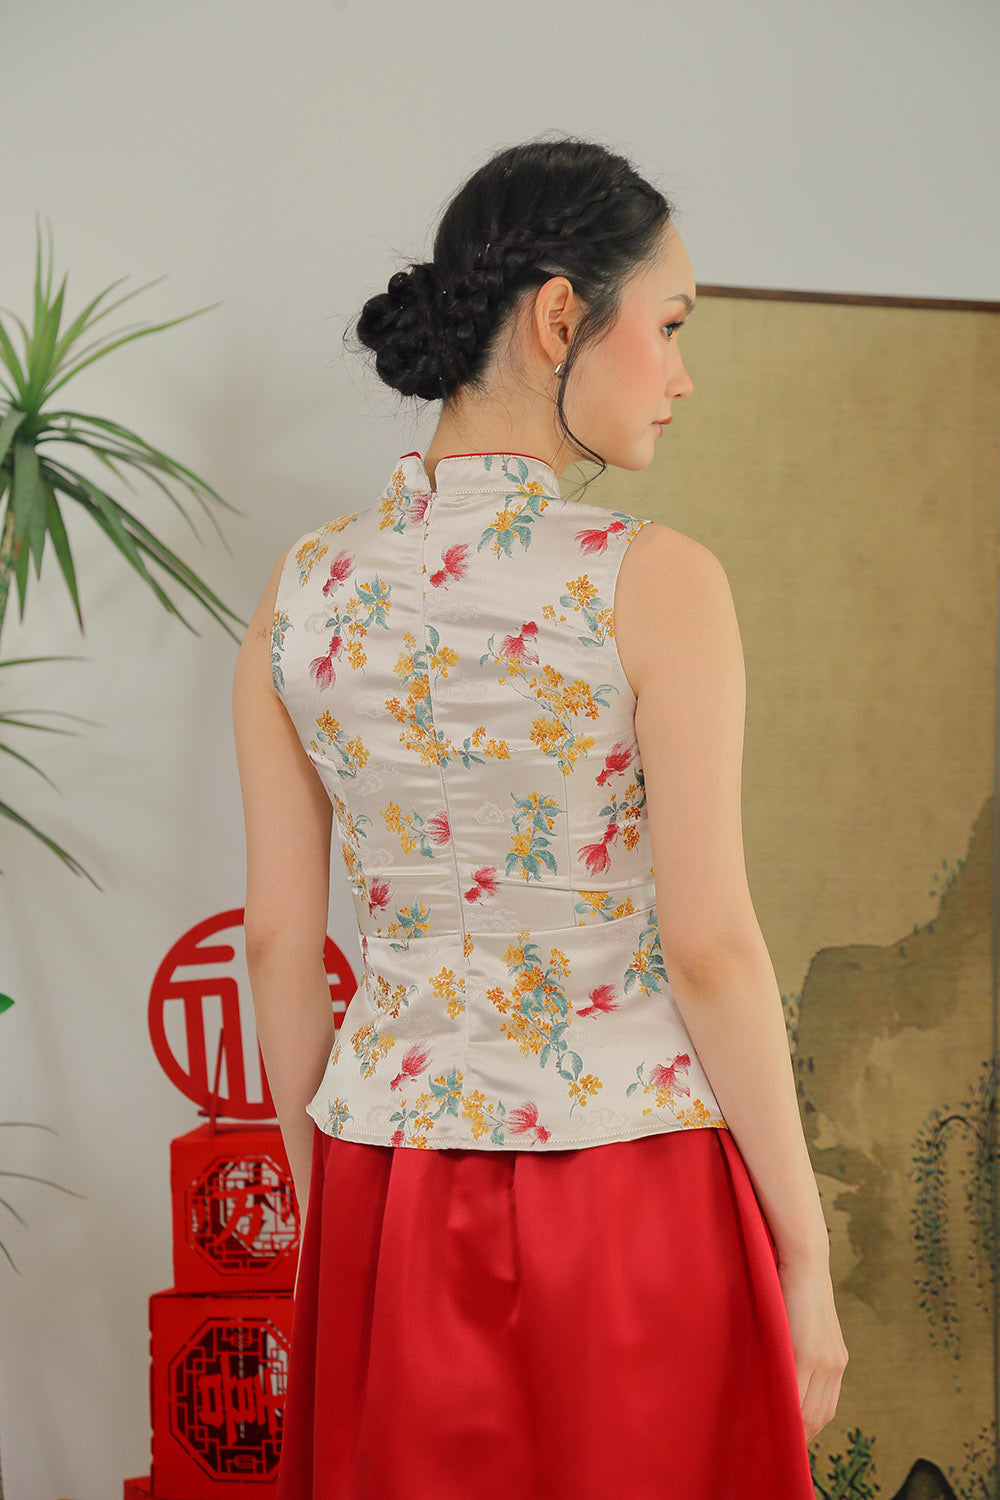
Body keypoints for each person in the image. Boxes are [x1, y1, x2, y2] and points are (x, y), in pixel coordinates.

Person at [232, 135, 848, 1500]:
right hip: (632, 1186)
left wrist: (325, 1197)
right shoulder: (656, 581)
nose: (682, 374)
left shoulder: (303, 589)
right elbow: (711, 950)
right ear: (563, 316)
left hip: (384, 1183)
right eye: (670, 325)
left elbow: (277, 940)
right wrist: (804, 1255)